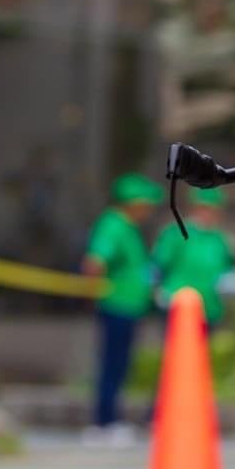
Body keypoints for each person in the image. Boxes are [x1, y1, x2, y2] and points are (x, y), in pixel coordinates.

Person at [83, 173, 162, 445]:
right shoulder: (113, 225)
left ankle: (109, 419)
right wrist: (94, 295)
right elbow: (95, 262)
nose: (148, 210)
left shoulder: (127, 227)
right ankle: (104, 422)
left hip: (129, 307)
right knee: (112, 364)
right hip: (116, 306)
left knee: (119, 364)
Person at [150, 186, 235, 329]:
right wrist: (156, 290)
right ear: (193, 208)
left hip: (209, 308)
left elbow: (226, 270)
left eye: (213, 209)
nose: (207, 213)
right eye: (203, 208)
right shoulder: (175, 233)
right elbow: (159, 264)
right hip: (178, 306)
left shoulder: (219, 240)